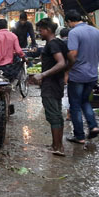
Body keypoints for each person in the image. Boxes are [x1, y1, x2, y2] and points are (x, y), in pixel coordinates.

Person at [64, 9, 99, 144]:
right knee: (85, 101)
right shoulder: (95, 31)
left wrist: (66, 71)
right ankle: (93, 126)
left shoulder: (74, 32)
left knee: (75, 105)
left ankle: (79, 136)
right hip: (92, 75)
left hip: (77, 75)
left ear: (70, 21)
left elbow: (73, 54)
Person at [31, 19, 68, 156]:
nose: (39, 33)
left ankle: (58, 147)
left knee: (53, 115)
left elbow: (61, 62)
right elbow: (70, 61)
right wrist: (64, 75)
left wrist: (43, 75)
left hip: (51, 84)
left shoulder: (53, 44)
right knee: (56, 114)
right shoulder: (59, 43)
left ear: (48, 29)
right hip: (56, 82)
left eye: (40, 30)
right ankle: (56, 145)